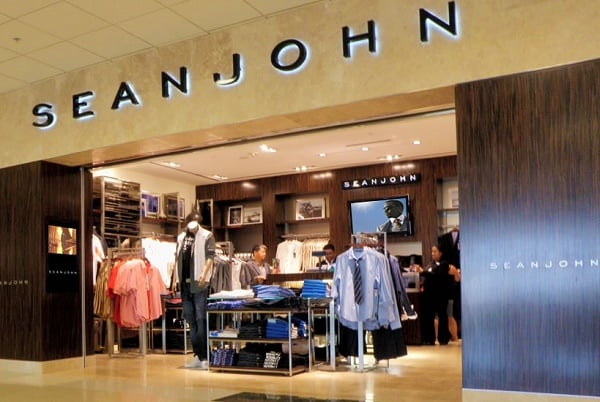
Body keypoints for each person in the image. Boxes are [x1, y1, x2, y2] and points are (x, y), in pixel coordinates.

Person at [176, 211, 215, 369]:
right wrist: (175, 280)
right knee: (191, 321)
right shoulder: (181, 237)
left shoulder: (206, 235)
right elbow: (177, 259)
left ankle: (206, 357)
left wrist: (204, 274)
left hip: (199, 283)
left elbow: (210, 256)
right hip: (184, 285)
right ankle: (198, 356)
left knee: (200, 319)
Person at [416, 244, 460, 345]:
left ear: (440, 253)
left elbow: (437, 276)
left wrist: (423, 272)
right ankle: (429, 339)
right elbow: (428, 275)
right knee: (430, 317)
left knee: (444, 316)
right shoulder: (430, 264)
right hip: (430, 295)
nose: (432, 253)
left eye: (435, 251)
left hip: (442, 295)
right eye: (432, 251)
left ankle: (444, 338)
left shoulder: (444, 264)